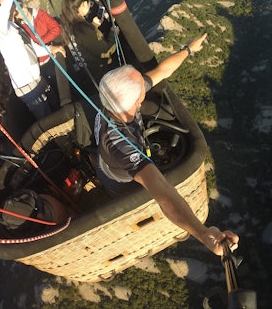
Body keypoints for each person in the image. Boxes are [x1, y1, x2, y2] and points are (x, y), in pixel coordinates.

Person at [94, 33, 238, 255]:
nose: (145, 85)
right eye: (142, 91)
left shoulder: (115, 100)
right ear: (136, 102)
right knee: (153, 191)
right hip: (120, 180)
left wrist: (188, 49)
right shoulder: (119, 143)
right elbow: (163, 193)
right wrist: (202, 234)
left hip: (123, 154)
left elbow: (161, 71)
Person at [0, 0, 54, 120]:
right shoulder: (1, 31)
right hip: (27, 85)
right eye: (2, 6)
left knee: (53, 106)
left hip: (36, 78)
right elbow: (2, 18)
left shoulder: (14, 26)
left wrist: (51, 49)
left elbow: (32, 48)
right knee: (47, 118)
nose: (8, 6)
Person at [61, 0, 118, 93]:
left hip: (87, 74)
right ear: (83, 4)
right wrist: (113, 33)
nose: (90, 6)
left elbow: (83, 42)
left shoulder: (68, 26)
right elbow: (106, 51)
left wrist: (93, 26)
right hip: (101, 74)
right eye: (89, 3)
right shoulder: (83, 29)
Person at [13, 3, 64, 106]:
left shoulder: (40, 15)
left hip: (49, 58)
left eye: (20, 7)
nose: (21, 12)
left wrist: (40, 42)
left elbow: (56, 28)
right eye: (17, 12)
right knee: (48, 92)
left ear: (25, 4)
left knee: (58, 85)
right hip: (35, 66)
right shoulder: (19, 28)